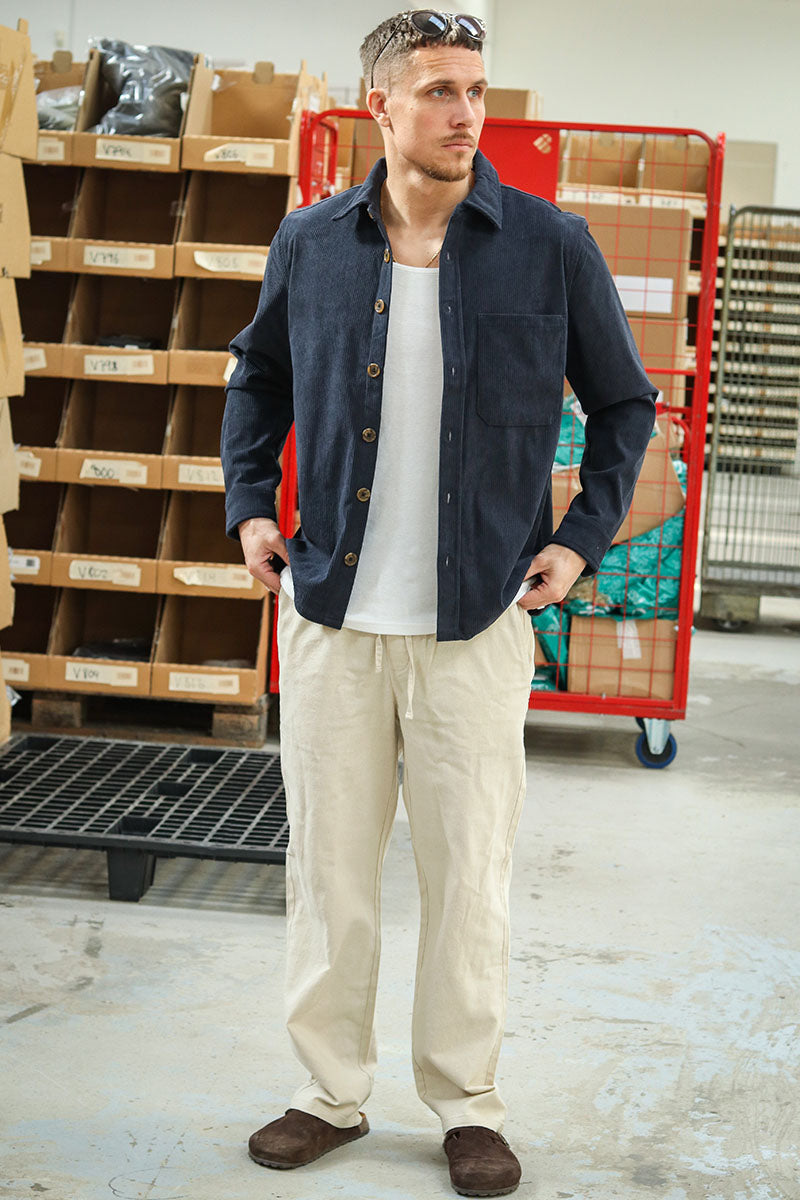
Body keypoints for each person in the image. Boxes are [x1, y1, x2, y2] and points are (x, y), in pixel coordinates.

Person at [221, 9, 657, 1196]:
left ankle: (466, 1104)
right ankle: (329, 1093)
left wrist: (577, 541)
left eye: (475, 89)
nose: (466, 113)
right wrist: (250, 507)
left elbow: (624, 405)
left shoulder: (547, 244)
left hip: (475, 622)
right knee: (330, 876)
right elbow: (255, 380)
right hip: (332, 617)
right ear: (381, 104)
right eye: (437, 91)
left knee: (468, 879)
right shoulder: (311, 243)